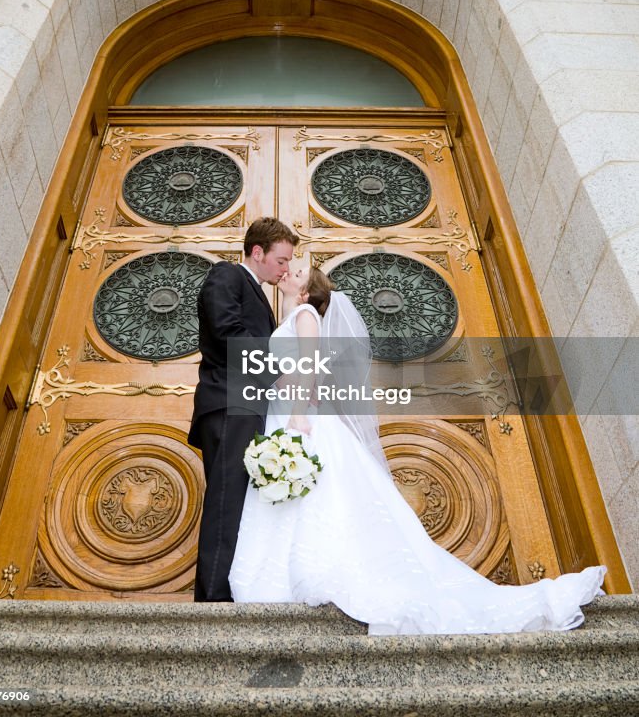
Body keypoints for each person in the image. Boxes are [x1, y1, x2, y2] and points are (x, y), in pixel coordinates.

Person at [229, 266, 607, 634]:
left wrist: (298, 415)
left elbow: (311, 365)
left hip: (300, 420)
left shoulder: (306, 314)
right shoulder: (295, 316)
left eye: (296, 273)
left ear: (307, 292)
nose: (287, 273)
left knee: (318, 497)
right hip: (289, 415)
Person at [189, 217, 299, 602]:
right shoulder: (227, 275)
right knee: (227, 498)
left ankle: (229, 590)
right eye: (282, 260)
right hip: (228, 403)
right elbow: (227, 330)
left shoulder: (260, 296)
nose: (286, 268)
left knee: (238, 499)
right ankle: (213, 600)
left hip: (245, 407)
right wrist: (277, 374)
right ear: (257, 252)